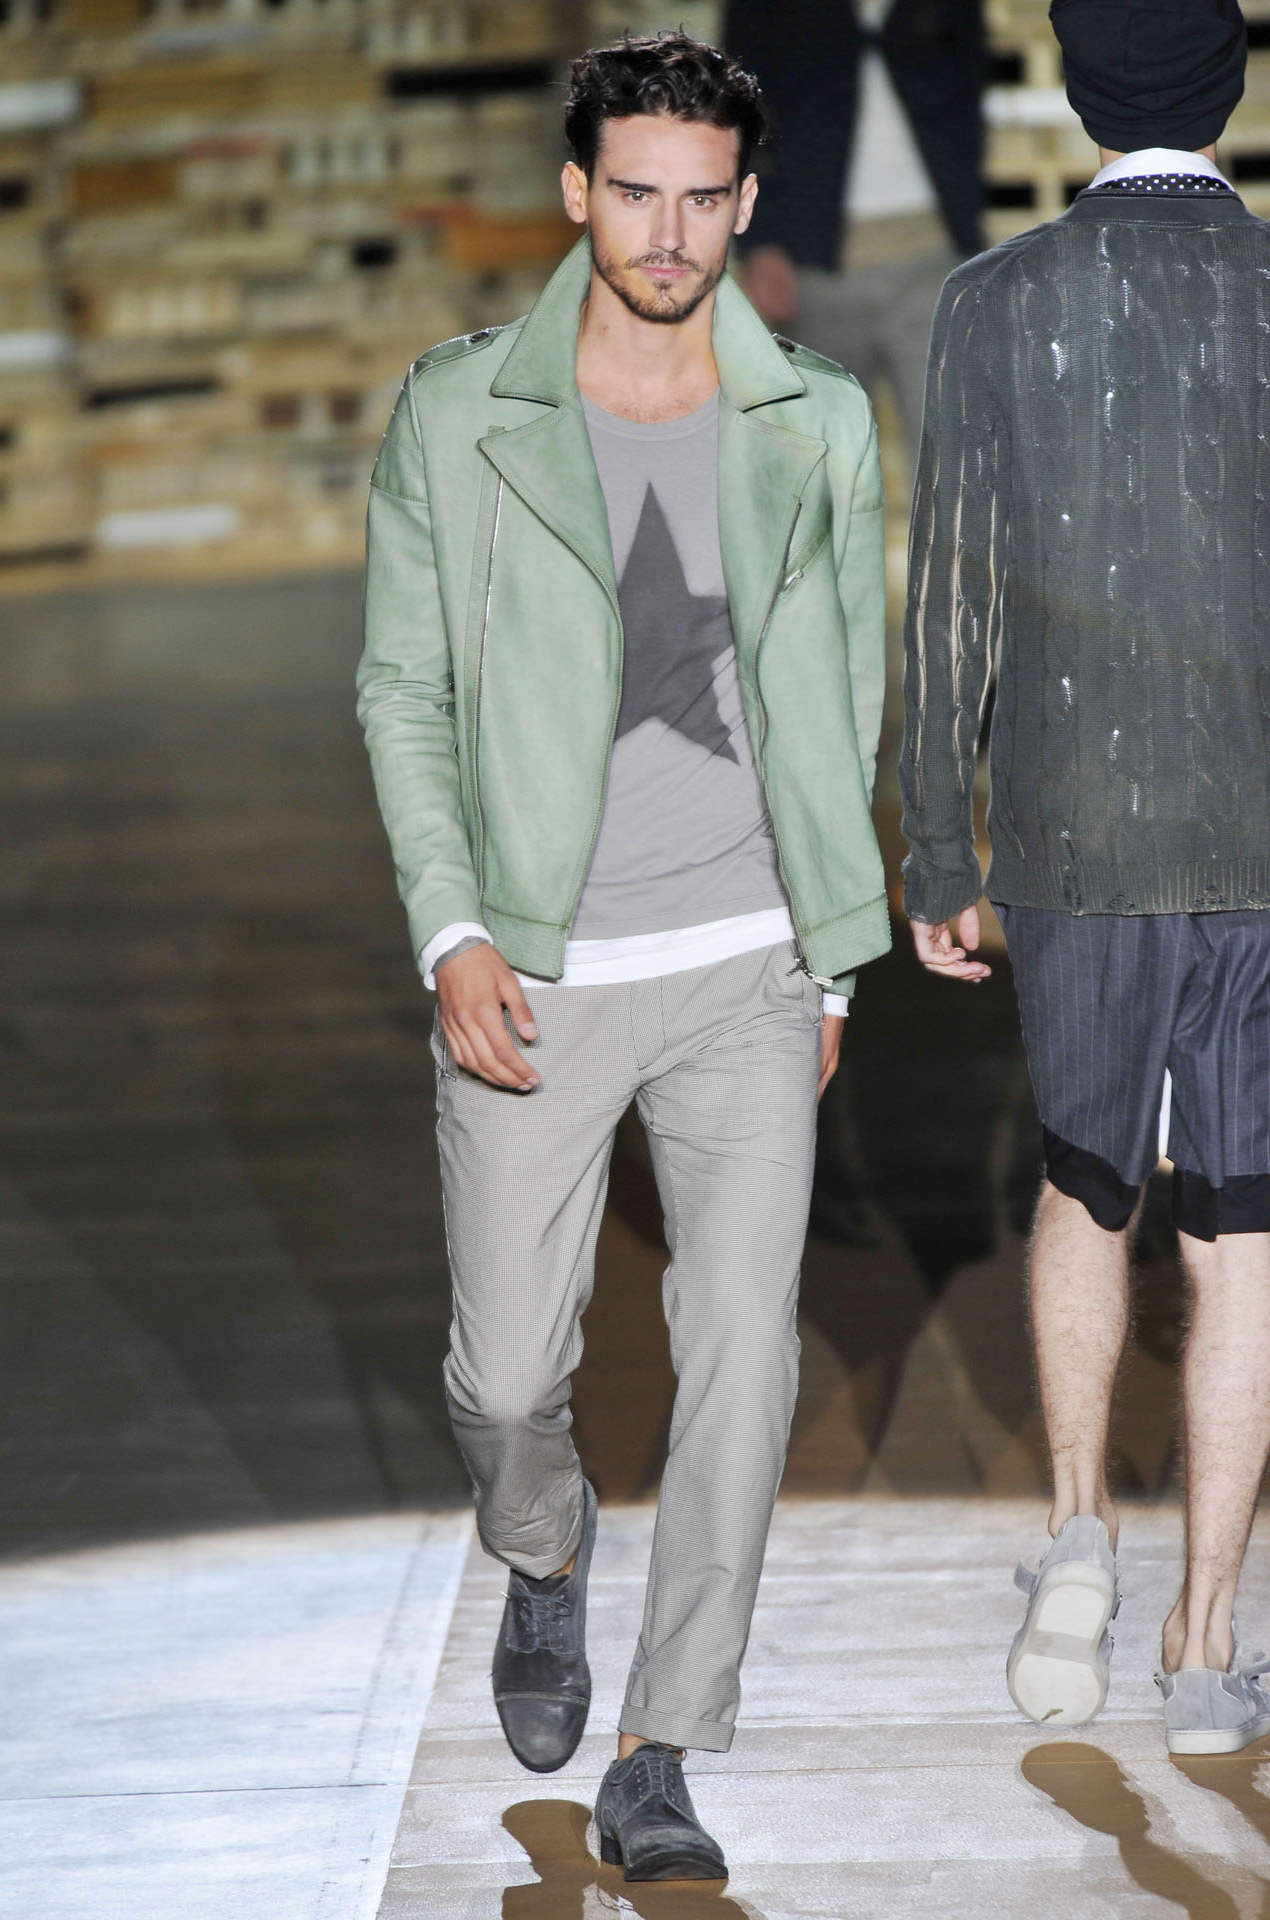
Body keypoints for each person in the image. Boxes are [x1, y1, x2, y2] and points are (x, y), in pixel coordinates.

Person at [357, 32, 890, 1880]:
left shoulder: (815, 419)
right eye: (637, 191)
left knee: (745, 1358)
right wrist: (450, 929)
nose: (670, 234)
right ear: (578, 190)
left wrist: (832, 958)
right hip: (535, 963)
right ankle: (548, 1543)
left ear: (744, 202)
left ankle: (665, 1748)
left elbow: (844, 691)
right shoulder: (457, 414)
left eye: (704, 197)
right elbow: (402, 690)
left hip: (748, 959)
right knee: (507, 1382)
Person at [900, 0, 1270, 1757]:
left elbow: (953, 593)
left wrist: (936, 844)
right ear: (1232, 87)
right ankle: (1207, 1651)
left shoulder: (998, 303)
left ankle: (1076, 1529)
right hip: (1267, 839)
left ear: (1073, 89)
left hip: (1070, 829)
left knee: (1084, 1181)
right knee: (1248, 1234)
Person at [724, 0, 985, 481]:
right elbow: (742, 111)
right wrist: (759, 243)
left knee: (955, 474)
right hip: (813, 267)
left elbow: (970, 83)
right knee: (827, 475)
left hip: (936, 256)